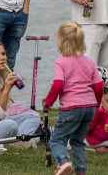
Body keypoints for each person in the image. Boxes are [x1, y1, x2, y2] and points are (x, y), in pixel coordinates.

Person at [43, 21, 104, 175]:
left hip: (72, 107)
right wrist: (96, 103)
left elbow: (58, 84)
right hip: (89, 107)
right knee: (78, 142)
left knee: (57, 140)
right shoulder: (89, 61)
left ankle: (63, 162)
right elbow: (98, 85)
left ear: (61, 42)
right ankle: (81, 171)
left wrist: (48, 102)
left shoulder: (61, 62)